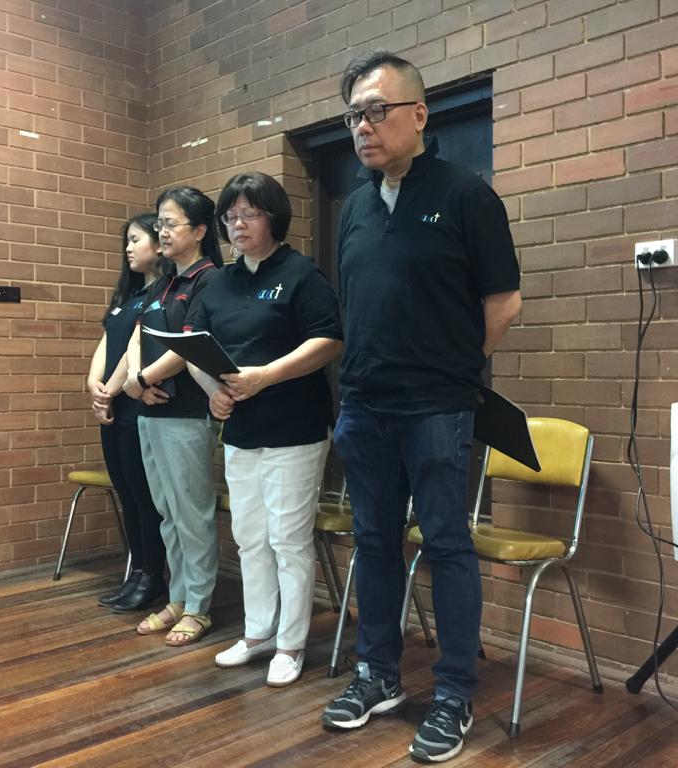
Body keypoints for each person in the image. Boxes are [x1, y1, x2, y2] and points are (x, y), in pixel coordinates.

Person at [320, 52, 522, 763]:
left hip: (437, 407)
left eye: (377, 110)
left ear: (419, 114)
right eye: (354, 115)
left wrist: (455, 370)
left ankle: (454, 692)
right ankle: (377, 674)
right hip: (364, 407)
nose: (363, 126)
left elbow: (504, 302)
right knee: (373, 542)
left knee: (445, 545)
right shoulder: (354, 208)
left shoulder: (466, 195)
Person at [189, 171, 343, 687]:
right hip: (241, 430)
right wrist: (213, 390)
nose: (237, 225)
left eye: (249, 214)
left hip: (294, 428)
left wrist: (266, 376)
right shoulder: (220, 282)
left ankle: (291, 644)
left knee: (288, 540)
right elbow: (195, 345)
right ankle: (258, 634)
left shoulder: (300, 273)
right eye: (230, 216)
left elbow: (329, 341)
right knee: (249, 537)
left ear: (273, 218)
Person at [122, 187, 222, 647]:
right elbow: (139, 334)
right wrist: (134, 380)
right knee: (167, 512)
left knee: (192, 513)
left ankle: (199, 606)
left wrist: (143, 379)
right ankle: (179, 597)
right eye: (159, 223)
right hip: (150, 411)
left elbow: (189, 345)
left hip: (186, 413)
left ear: (199, 231)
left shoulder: (209, 279)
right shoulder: (163, 283)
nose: (161, 231)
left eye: (170, 223)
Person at [87, 213, 168, 614]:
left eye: (136, 239)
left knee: (143, 494)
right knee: (126, 493)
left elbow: (135, 349)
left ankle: (153, 575)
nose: (129, 248)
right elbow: (107, 343)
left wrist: (112, 389)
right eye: (128, 241)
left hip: (138, 405)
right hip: (113, 406)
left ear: (159, 243)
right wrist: (93, 384)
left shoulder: (162, 294)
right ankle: (136, 572)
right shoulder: (128, 295)